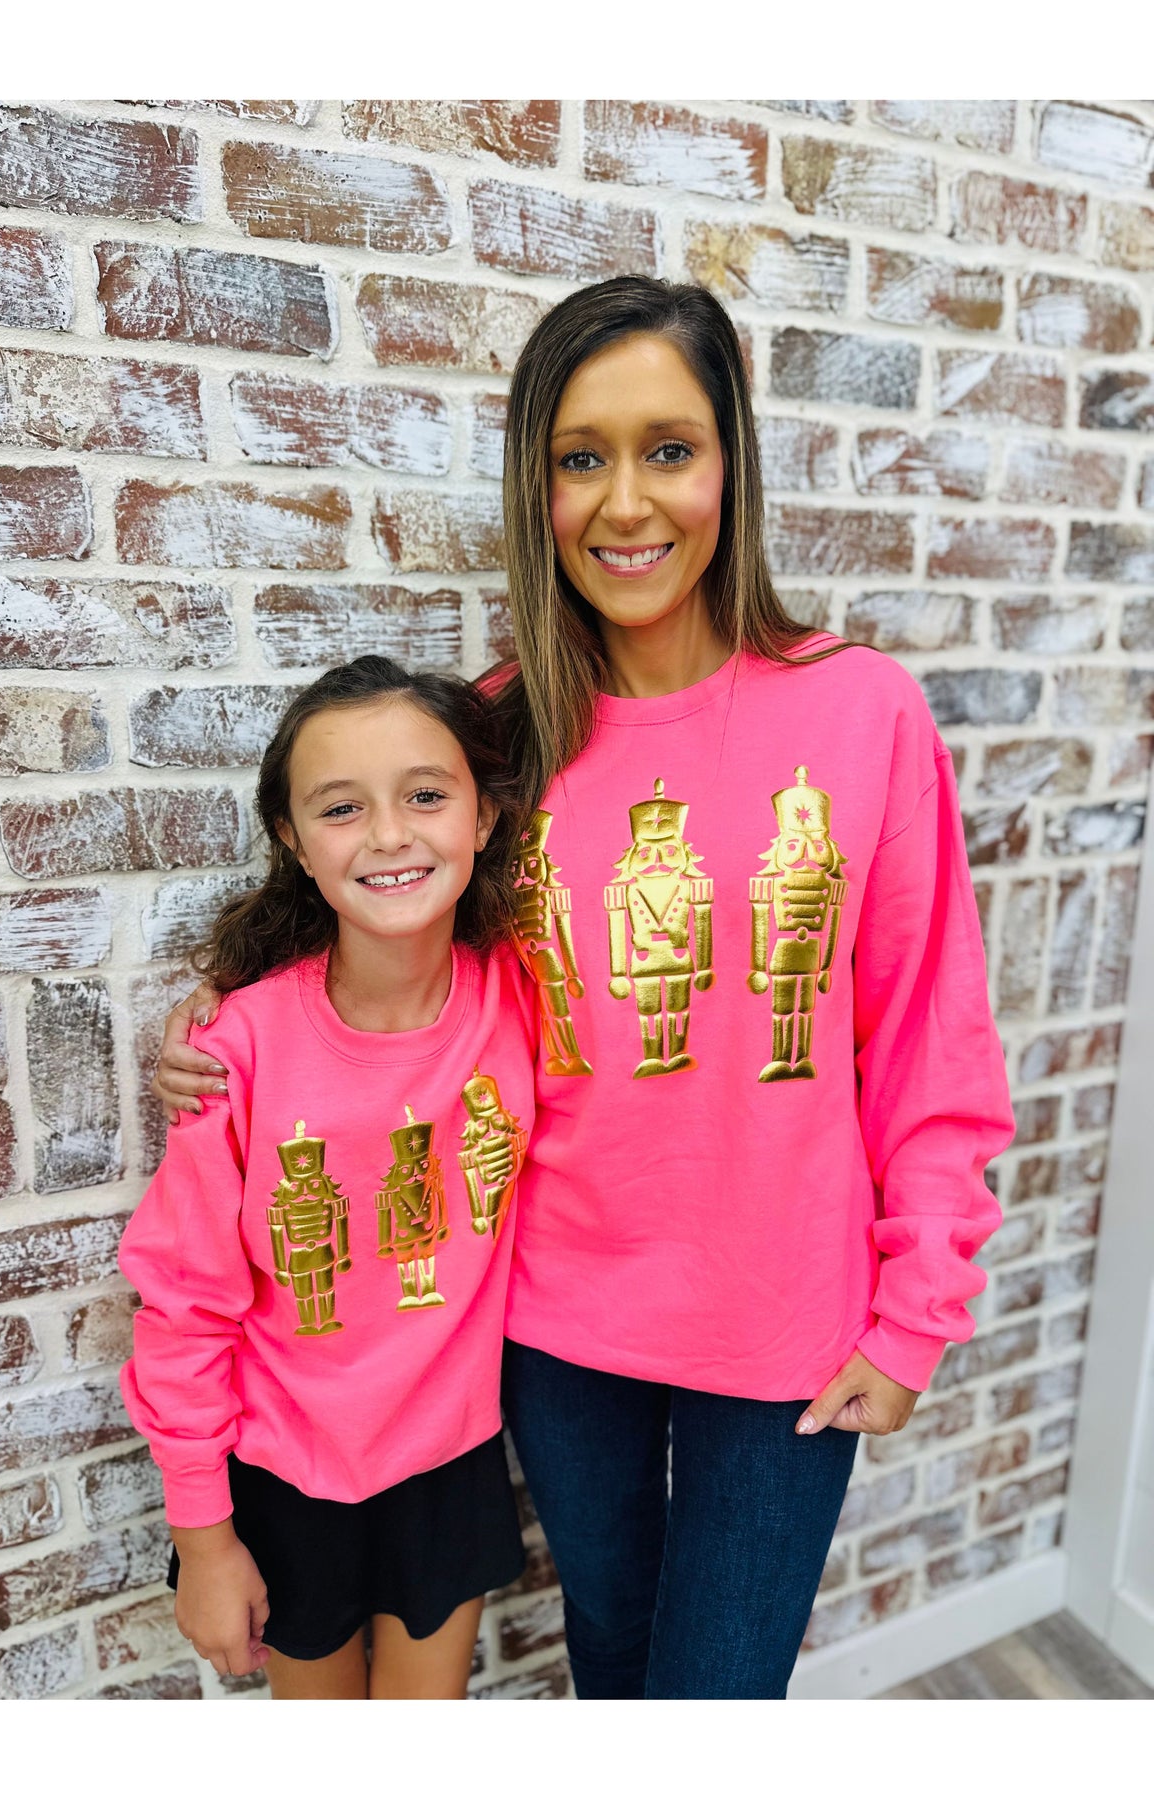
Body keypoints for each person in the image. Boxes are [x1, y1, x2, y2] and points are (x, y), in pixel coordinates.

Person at [152, 278, 1015, 1701]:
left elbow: (932, 1035)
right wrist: (227, 1016)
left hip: (788, 1319)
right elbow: (392, 935)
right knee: (609, 1657)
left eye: (669, 448)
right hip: (557, 1319)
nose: (626, 503)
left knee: (716, 1695)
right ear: (536, 486)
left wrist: (921, 1304)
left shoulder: (863, 710)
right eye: (580, 457)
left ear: (731, 462)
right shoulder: (499, 736)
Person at [121, 656, 534, 1700]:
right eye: (342, 808)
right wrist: (204, 1539)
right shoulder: (235, 1050)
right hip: (285, 1476)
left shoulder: (527, 1000)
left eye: (426, 795)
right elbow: (184, 1304)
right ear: (294, 844)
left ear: (484, 816)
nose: (390, 834)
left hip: (451, 1456)